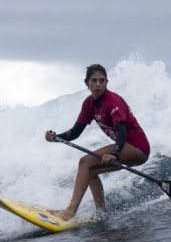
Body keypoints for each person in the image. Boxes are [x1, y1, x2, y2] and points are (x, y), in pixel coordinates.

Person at [45, 64, 150, 220]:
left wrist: (115, 153)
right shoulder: (89, 104)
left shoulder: (113, 101)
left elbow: (122, 132)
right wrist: (55, 137)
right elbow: (75, 133)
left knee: (84, 162)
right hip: (123, 147)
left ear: (107, 82)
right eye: (94, 80)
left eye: (102, 81)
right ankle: (102, 214)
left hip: (137, 147)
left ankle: (70, 211)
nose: (98, 84)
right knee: (91, 171)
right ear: (86, 83)